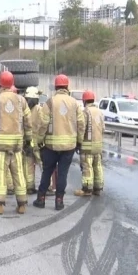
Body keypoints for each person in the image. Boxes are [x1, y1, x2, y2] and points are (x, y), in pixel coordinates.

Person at [0, 71, 32, 215]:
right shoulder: (21, 100)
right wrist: (29, 140)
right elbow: (28, 122)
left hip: (0, 146)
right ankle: (22, 205)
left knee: (0, 175)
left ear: (0, 83)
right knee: (19, 174)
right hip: (17, 146)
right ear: (12, 83)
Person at [33, 74, 85, 211]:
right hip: (69, 147)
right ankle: (59, 201)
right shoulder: (75, 103)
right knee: (62, 174)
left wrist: (39, 141)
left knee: (47, 172)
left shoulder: (50, 102)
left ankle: (41, 198)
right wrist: (79, 142)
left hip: (50, 146)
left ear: (56, 87)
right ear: (67, 87)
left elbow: (43, 124)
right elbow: (81, 124)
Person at [74, 90, 105, 197]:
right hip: (99, 146)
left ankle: (87, 189)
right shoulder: (100, 112)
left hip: (88, 146)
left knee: (87, 167)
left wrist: (79, 142)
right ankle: (98, 188)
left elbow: (82, 129)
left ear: (84, 100)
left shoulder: (85, 112)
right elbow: (103, 128)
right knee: (98, 166)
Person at [23, 87, 43, 194]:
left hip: (27, 141)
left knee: (28, 165)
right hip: (38, 142)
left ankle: (29, 186)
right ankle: (47, 186)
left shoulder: (24, 110)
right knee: (42, 164)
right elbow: (43, 125)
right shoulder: (39, 110)